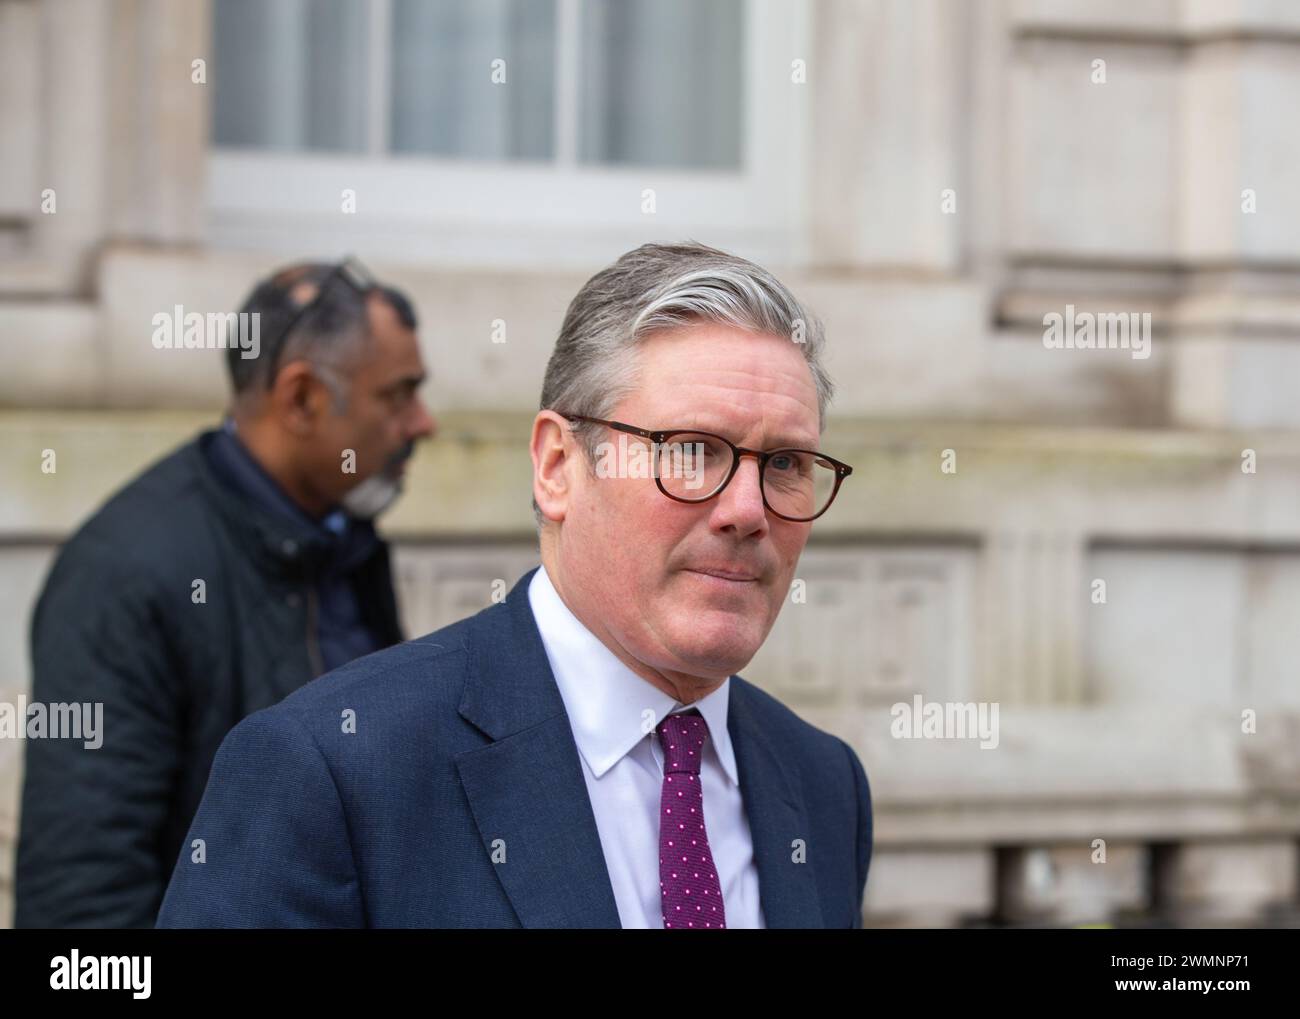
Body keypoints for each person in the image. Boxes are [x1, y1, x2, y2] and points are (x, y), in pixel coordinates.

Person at [156, 241, 871, 929]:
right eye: (690, 451)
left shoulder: (822, 783)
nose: (748, 510)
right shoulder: (333, 771)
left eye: (785, 463)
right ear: (558, 465)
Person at [16, 258, 436, 927]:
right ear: (300, 398)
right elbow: (81, 897)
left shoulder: (345, 536)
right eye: (398, 395)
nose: (423, 423)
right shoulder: (123, 573)